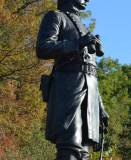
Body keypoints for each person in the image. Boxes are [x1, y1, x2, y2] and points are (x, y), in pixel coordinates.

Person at [36, 0, 109, 159]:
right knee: (70, 146)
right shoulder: (56, 17)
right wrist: (77, 43)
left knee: (84, 153)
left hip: (89, 96)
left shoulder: (83, 27)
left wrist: (99, 106)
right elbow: (42, 47)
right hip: (68, 91)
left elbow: (90, 71)